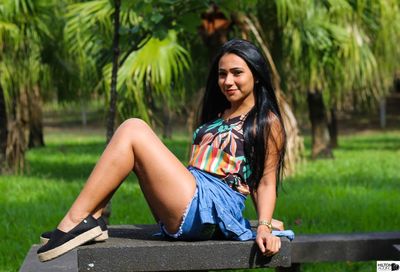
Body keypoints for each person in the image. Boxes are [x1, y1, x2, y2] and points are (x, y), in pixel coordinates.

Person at [37, 38, 287, 262]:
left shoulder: (266, 121)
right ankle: (91, 218)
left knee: (133, 128)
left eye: (237, 73)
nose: (227, 81)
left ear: (255, 75)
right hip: (194, 194)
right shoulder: (220, 114)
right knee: (132, 141)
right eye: (222, 74)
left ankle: (73, 221)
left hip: (208, 205)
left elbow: (264, 182)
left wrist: (264, 224)